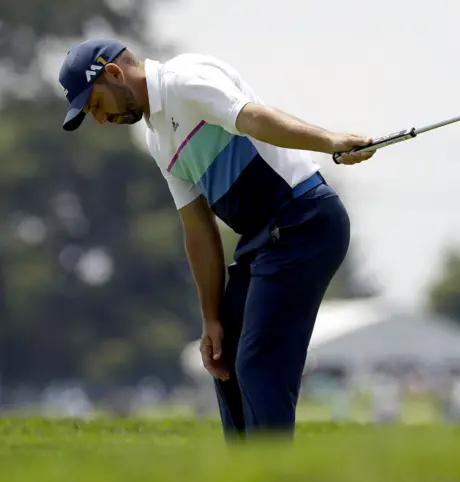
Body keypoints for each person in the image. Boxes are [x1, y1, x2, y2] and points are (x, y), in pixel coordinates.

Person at [58, 38, 376, 440]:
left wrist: (329, 141)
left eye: (97, 105)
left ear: (115, 74)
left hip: (303, 219)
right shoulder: (158, 138)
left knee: (259, 363)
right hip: (265, 239)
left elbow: (254, 118)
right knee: (224, 360)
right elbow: (198, 230)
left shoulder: (184, 81)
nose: (101, 119)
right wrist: (210, 319)